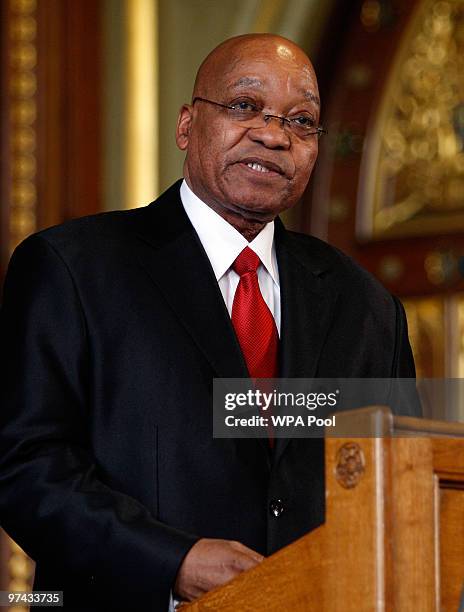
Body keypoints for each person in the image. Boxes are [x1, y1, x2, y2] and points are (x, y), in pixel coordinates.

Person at [0, 34, 419, 610]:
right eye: (245, 107)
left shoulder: (366, 307)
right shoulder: (74, 268)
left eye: (302, 121)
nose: (274, 135)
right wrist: (172, 562)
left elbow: (404, 492)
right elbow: (25, 467)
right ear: (185, 126)